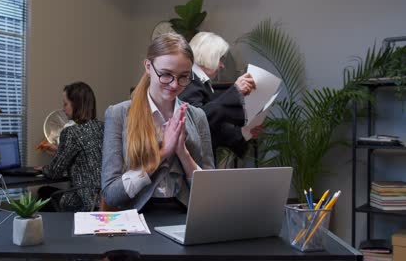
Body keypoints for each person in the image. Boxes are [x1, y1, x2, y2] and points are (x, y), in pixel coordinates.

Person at [101, 33, 214, 211]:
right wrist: (163, 153)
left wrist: (183, 154)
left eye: (183, 76)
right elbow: (111, 195)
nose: (175, 85)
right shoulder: (118, 114)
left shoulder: (197, 116)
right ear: (148, 66)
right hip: (136, 219)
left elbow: (210, 193)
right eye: (166, 75)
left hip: (184, 216)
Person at [179, 32, 263, 158]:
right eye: (220, 59)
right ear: (208, 56)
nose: (222, 65)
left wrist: (245, 132)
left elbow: (214, 126)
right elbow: (197, 121)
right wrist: (235, 91)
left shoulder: (199, 81)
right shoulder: (190, 81)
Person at [36, 81, 103, 212]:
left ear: (76, 105)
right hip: (104, 200)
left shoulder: (71, 132)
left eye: (65, 103)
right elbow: (86, 157)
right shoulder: (102, 127)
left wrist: (43, 169)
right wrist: (58, 151)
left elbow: (55, 172)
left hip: (83, 200)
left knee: (43, 192)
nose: (63, 108)